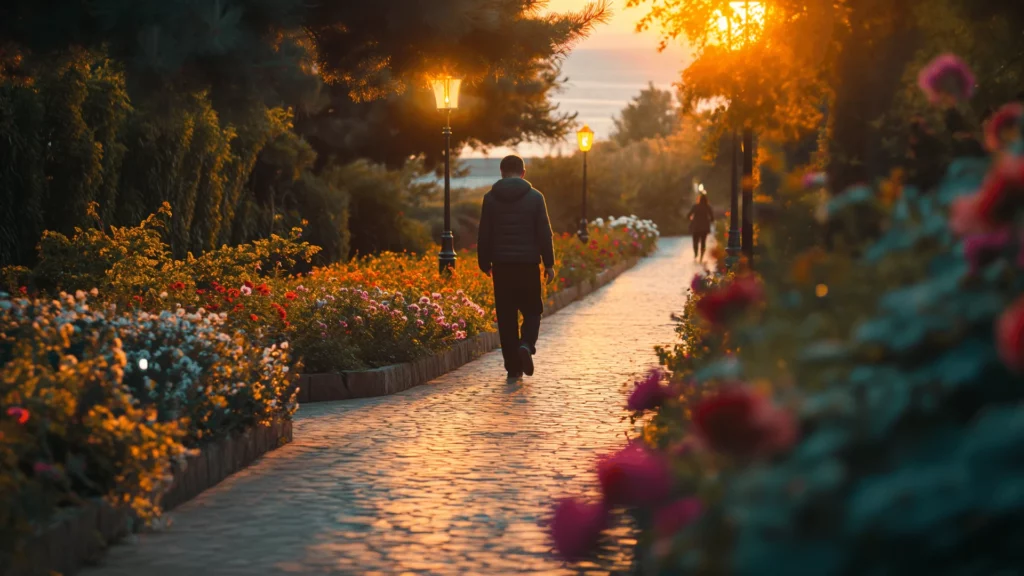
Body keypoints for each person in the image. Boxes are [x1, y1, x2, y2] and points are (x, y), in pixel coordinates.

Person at [477, 155, 556, 380]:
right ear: (523, 172)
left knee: (506, 317)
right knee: (533, 311)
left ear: (501, 172)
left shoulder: (490, 199)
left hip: (501, 268)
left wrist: (484, 263)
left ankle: (513, 367)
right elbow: (544, 232)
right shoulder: (535, 197)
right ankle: (526, 345)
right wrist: (549, 264)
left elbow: (484, 234)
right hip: (529, 265)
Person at [687, 192, 715, 261]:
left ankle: (696, 254)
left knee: (695, 241)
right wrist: (708, 221)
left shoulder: (695, 206)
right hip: (704, 227)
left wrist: (691, 219)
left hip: (696, 227)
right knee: (703, 242)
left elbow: (689, 215)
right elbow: (712, 218)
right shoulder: (708, 207)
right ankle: (701, 256)